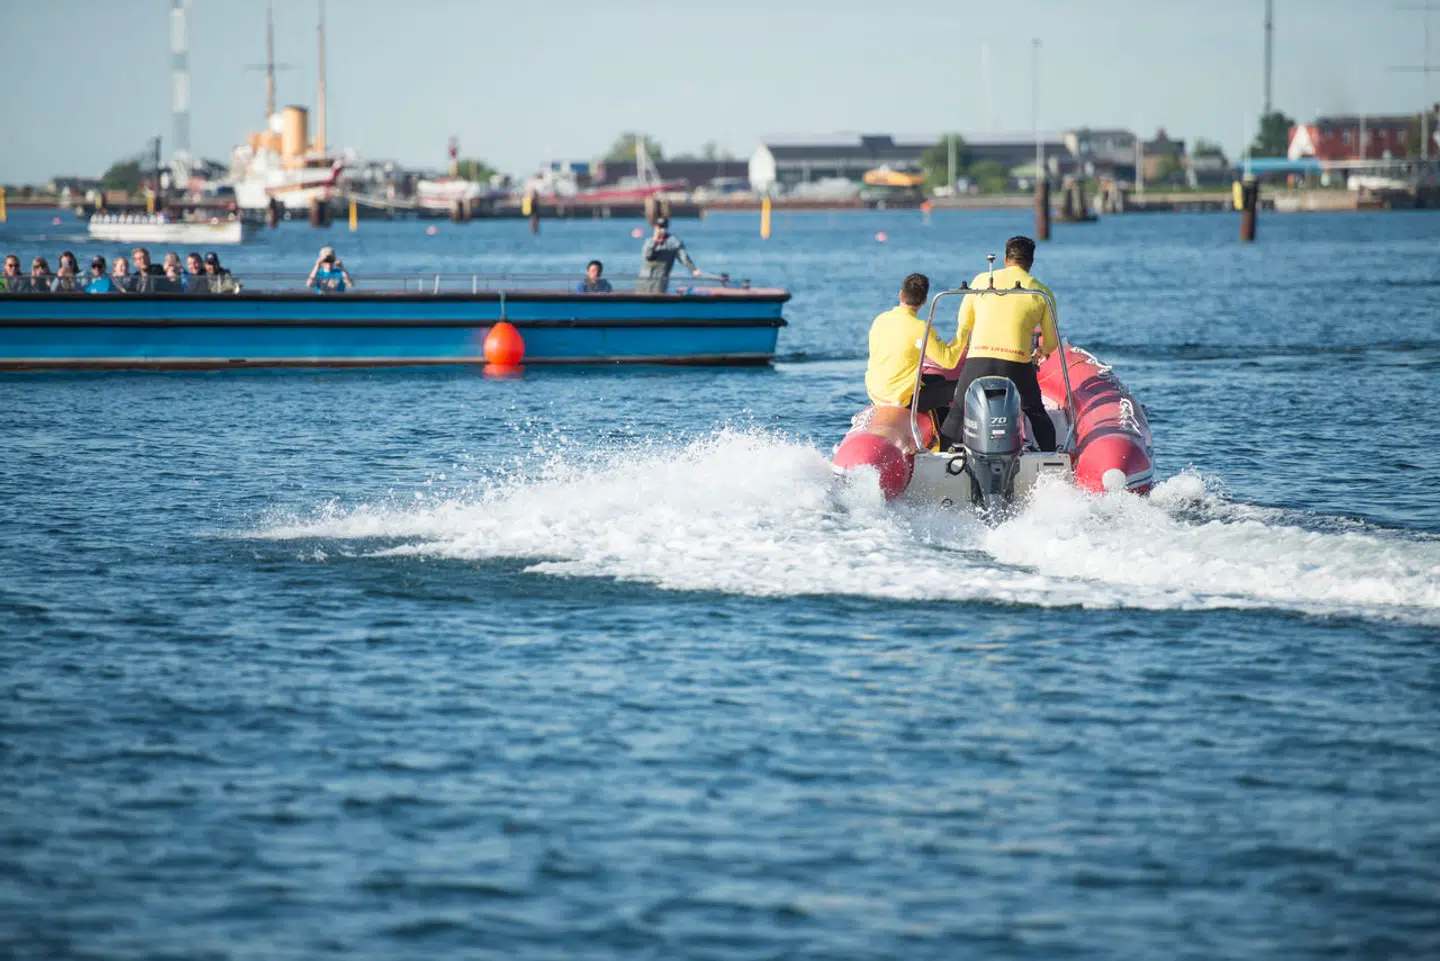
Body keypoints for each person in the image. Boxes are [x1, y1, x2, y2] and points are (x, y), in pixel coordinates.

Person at [939, 236, 1059, 452]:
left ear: (1005, 259)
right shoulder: (1041, 292)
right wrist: (1042, 351)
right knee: (1035, 411)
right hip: (1016, 362)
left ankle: (942, 458)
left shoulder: (981, 281)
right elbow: (1051, 341)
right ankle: (1052, 458)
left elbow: (964, 322)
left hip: (978, 359)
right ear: (1031, 262)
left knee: (957, 410)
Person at [864, 273, 964, 419]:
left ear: (900, 294)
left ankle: (936, 430)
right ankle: (948, 436)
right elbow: (949, 361)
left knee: (938, 380)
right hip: (900, 401)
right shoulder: (920, 328)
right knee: (961, 387)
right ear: (924, 301)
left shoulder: (880, 319)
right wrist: (964, 331)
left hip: (875, 392)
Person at [637, 217, 701, 293]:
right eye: (659, 227)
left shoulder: (674, 242)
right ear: (655, 228)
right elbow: (647, 256)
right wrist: (655, 241)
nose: (661, 230)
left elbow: (683, 258)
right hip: (644, 279)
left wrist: (693, 269)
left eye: (663, 228)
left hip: (660, 280)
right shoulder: (649, 241)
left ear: (667, 228)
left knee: (657, 296)